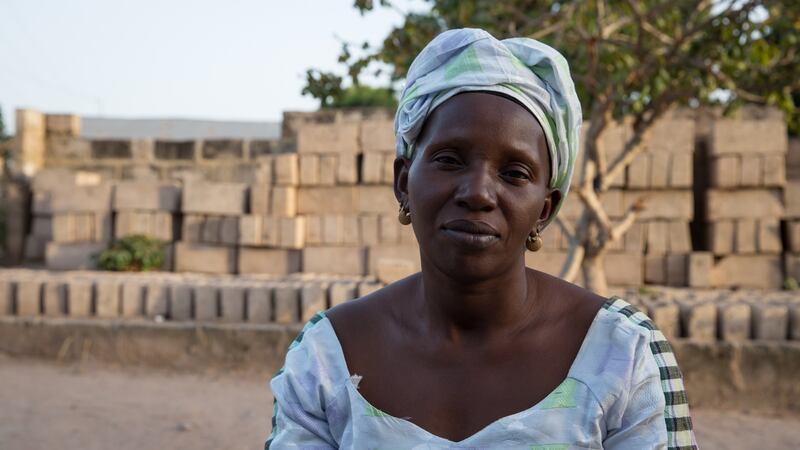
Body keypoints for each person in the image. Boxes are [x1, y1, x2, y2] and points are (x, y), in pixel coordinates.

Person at [266, 28, 697, 449]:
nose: (477, 193)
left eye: (514, 173)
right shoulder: (328, 358)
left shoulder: (621, 355)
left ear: (544, 209)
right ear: (402, 183)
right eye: (449, 160)